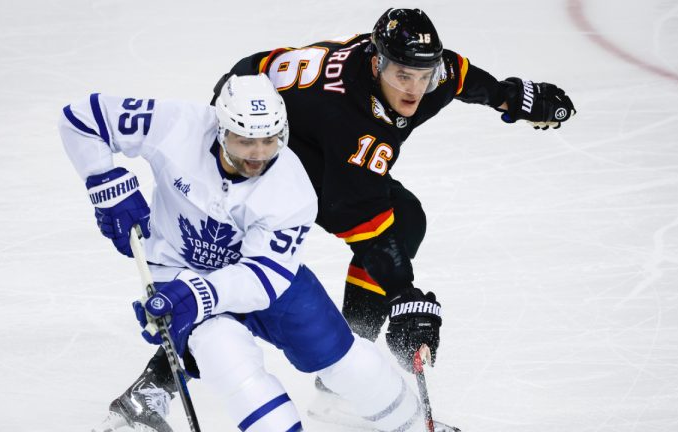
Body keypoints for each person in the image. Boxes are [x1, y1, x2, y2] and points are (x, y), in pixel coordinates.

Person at [59, 74, 436, 432]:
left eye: (269, 141)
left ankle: (412, 424)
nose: (258, 154)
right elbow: (83, 119)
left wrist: (201, 296)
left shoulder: (291, 189)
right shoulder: (177, 124)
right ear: (220, 128)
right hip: (177, 269)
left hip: (261, 279)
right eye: (244, 141)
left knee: (346, 360)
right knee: (229, 360)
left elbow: (263, 277)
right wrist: (105, 186)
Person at [213, 7, 577, 372]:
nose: (414, 89)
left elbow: (460, 75)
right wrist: (403, 293)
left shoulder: (430, 74)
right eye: (403, 75)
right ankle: (162, 381)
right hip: (260, 137)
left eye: (424, 76)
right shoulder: (352, 121)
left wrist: (510, 97)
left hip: (297, 112)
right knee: (241, 258)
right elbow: (358, 218)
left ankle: (354, 352)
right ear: (376, 64)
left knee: (404, 220)